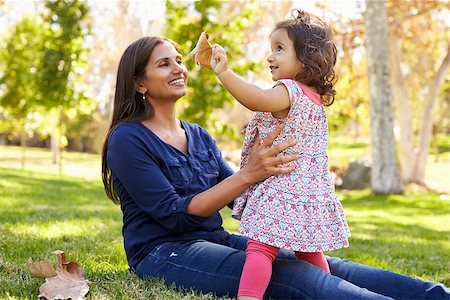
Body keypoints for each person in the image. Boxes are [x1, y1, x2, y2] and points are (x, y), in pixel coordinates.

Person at [101, 35, 450, 300]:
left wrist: (278, 169)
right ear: (139, 83)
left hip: (218, 239)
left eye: (179, 59)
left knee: (330, 265)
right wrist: (250, 172)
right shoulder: (127, 139)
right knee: (294, 279)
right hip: (165, 251)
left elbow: (237, 193)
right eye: (164, 64)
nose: (179, 68)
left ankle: (436, 294)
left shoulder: (197, 135)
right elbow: (174, 214)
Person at [209, 9, 350, 299]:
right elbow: (288, 126)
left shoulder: (288, 90)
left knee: (260, 247)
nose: (270, 56)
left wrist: (224, 73)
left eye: (280, 49)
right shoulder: (315, 99)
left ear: (306, 58)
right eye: (271, 48)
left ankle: (249, 296)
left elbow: (257, 99)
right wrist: (258, 124)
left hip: (283, 189)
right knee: (308, 251)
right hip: (309, 192)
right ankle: (327, 291)